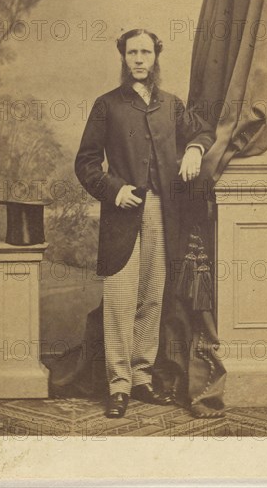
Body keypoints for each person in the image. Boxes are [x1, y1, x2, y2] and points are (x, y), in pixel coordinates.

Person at [74, 29, 215, 418]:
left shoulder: (171, 105)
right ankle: (117, 385)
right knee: (121, 298)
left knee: (153, 296)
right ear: (123, 56)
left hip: (163, 211)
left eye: (146, 52)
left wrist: (193, 147)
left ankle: (141, 377)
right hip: (123, 212)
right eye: (132, 52)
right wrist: (113, 189)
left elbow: (202, 129)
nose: (139, 59)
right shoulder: (107, 105)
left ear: (156, 57)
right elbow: (85, 162)